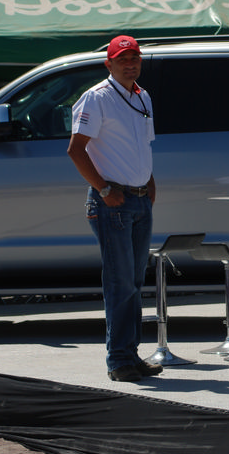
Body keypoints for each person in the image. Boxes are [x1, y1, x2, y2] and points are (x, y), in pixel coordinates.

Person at [67, 35, 162, 383]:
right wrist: (104, 189)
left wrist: (149, 181)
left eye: (134, 58)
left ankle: (130, 354)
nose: (130, 64)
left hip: (138, 198)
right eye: (122, 59)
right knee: (120, 283)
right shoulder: (97, 98)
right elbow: (76, 149)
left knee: (133, 282)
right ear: (108, 64)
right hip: (113, 201)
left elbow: (142, 145)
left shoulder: (142, 96)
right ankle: (119, 359)